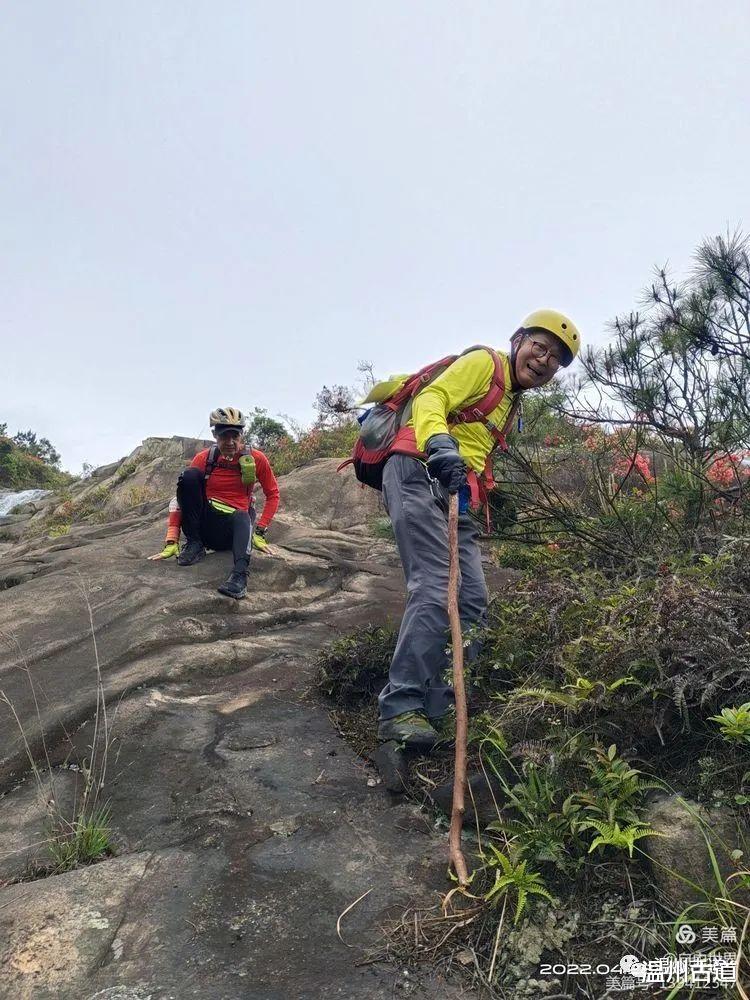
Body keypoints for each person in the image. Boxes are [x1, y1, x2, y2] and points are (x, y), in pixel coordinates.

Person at [377, 310, 581, 746]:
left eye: (556, 358)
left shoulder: (511, 402)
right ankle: (400, 709)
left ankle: (441, 707)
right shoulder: (484, 364)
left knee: (472, 603)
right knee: (434, 587)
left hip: (456, 495)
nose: (544, 360)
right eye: (539, 346)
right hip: (417, 471)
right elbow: (433, 399)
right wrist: (439, 444)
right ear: (518, 340)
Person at [148, 407, 280, 599]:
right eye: (224, 436)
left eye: (235, 435)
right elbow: (181, 498)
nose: (230, 442)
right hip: (206, 525)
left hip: (233, 529)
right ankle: (194, 544)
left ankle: (239, 576)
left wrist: (260, 531)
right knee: (189, 476)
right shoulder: (205, 458)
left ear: (242, 434)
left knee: (243, 515)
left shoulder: (257, 459)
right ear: (214, 435)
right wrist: (172, 539)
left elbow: (273, 495)